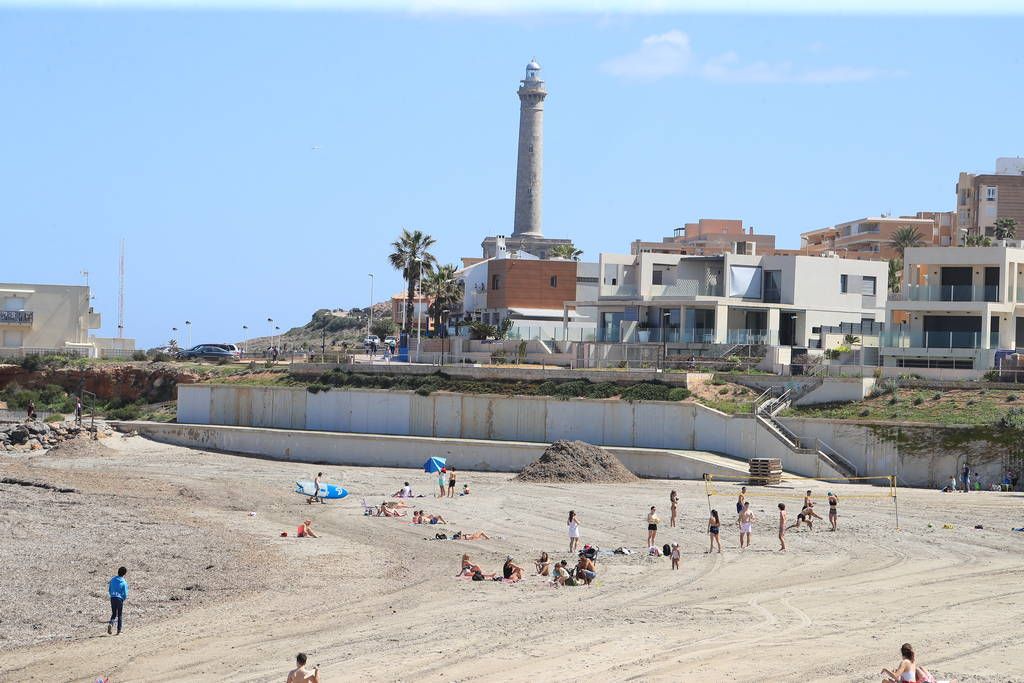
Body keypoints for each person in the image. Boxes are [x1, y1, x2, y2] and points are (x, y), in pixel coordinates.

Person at [107, 566, 128, 635]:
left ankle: (111, 623)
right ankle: (119, 630)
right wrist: (123, 598)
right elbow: (125, 593)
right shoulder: (124, 582)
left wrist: (112, 595)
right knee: (119, 614)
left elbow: (109, 589)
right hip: (119, 599)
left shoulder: (113, 579)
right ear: (124, 574)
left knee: (114, 613)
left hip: (112, 597)